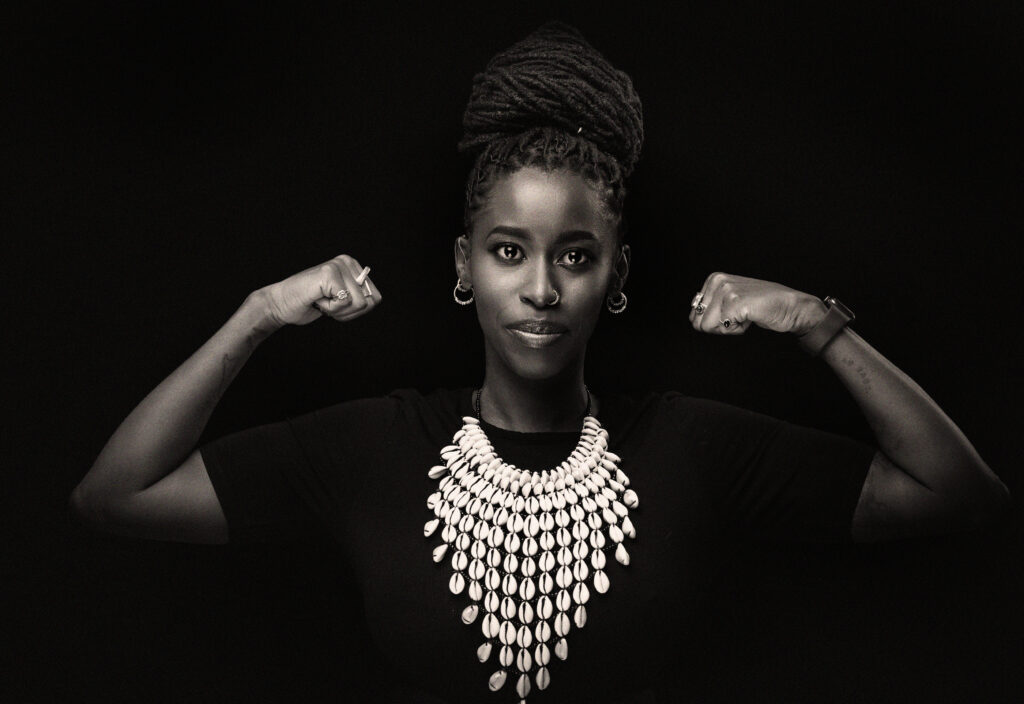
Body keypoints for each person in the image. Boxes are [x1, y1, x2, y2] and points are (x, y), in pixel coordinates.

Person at [69, 22, 1008, 704]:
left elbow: (960, 494)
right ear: (464, 269)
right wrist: (261, 313)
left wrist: (815, 323)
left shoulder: (689, 443)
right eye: (509, 251)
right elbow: (116, 494)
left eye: (576, 254)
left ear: (615, 274)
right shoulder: (373, 445)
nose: (544, 289)